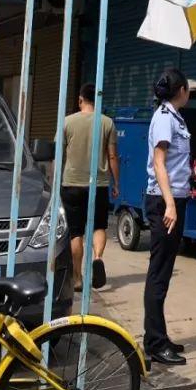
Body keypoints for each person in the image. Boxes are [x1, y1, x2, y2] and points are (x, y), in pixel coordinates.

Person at [143, 68, 191, 367]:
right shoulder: (164, 118)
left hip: (172, 200)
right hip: (164, 203)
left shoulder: (174, 117)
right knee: (158, 274)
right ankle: (155, 344)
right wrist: (170, 204)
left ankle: (158, 336)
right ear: (181, 90)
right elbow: (159, 163)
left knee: (163, 272)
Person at [60, 82, 120, 291]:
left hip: (71, 184)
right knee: (99, 226)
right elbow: (112, 156)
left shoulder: (67, 122)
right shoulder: (107, 123)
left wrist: (54, 180)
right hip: (98, 185)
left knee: (76, 232)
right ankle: (97, 258)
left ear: (80, 100)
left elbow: (58, 154)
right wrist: (116, 183)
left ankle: (77, 278)